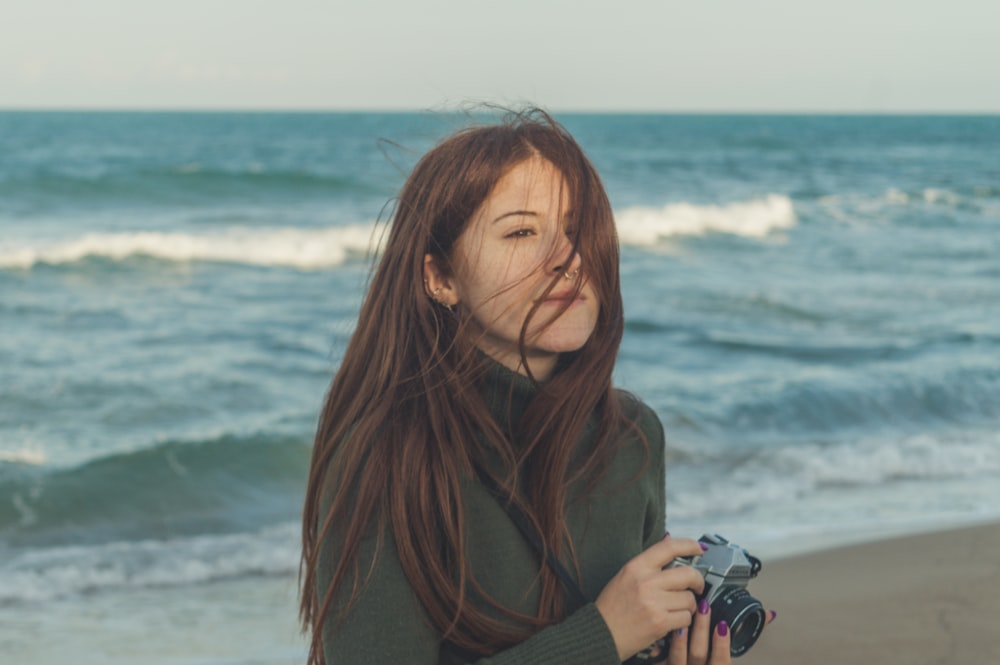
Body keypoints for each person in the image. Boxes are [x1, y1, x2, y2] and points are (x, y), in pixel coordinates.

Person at [299, 108, 773, 665]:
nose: (568, 259)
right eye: (522, 231)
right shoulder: (384, 458)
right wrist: (602, 635)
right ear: (440, 277)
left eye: (578, 230)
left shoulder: (631, 437)